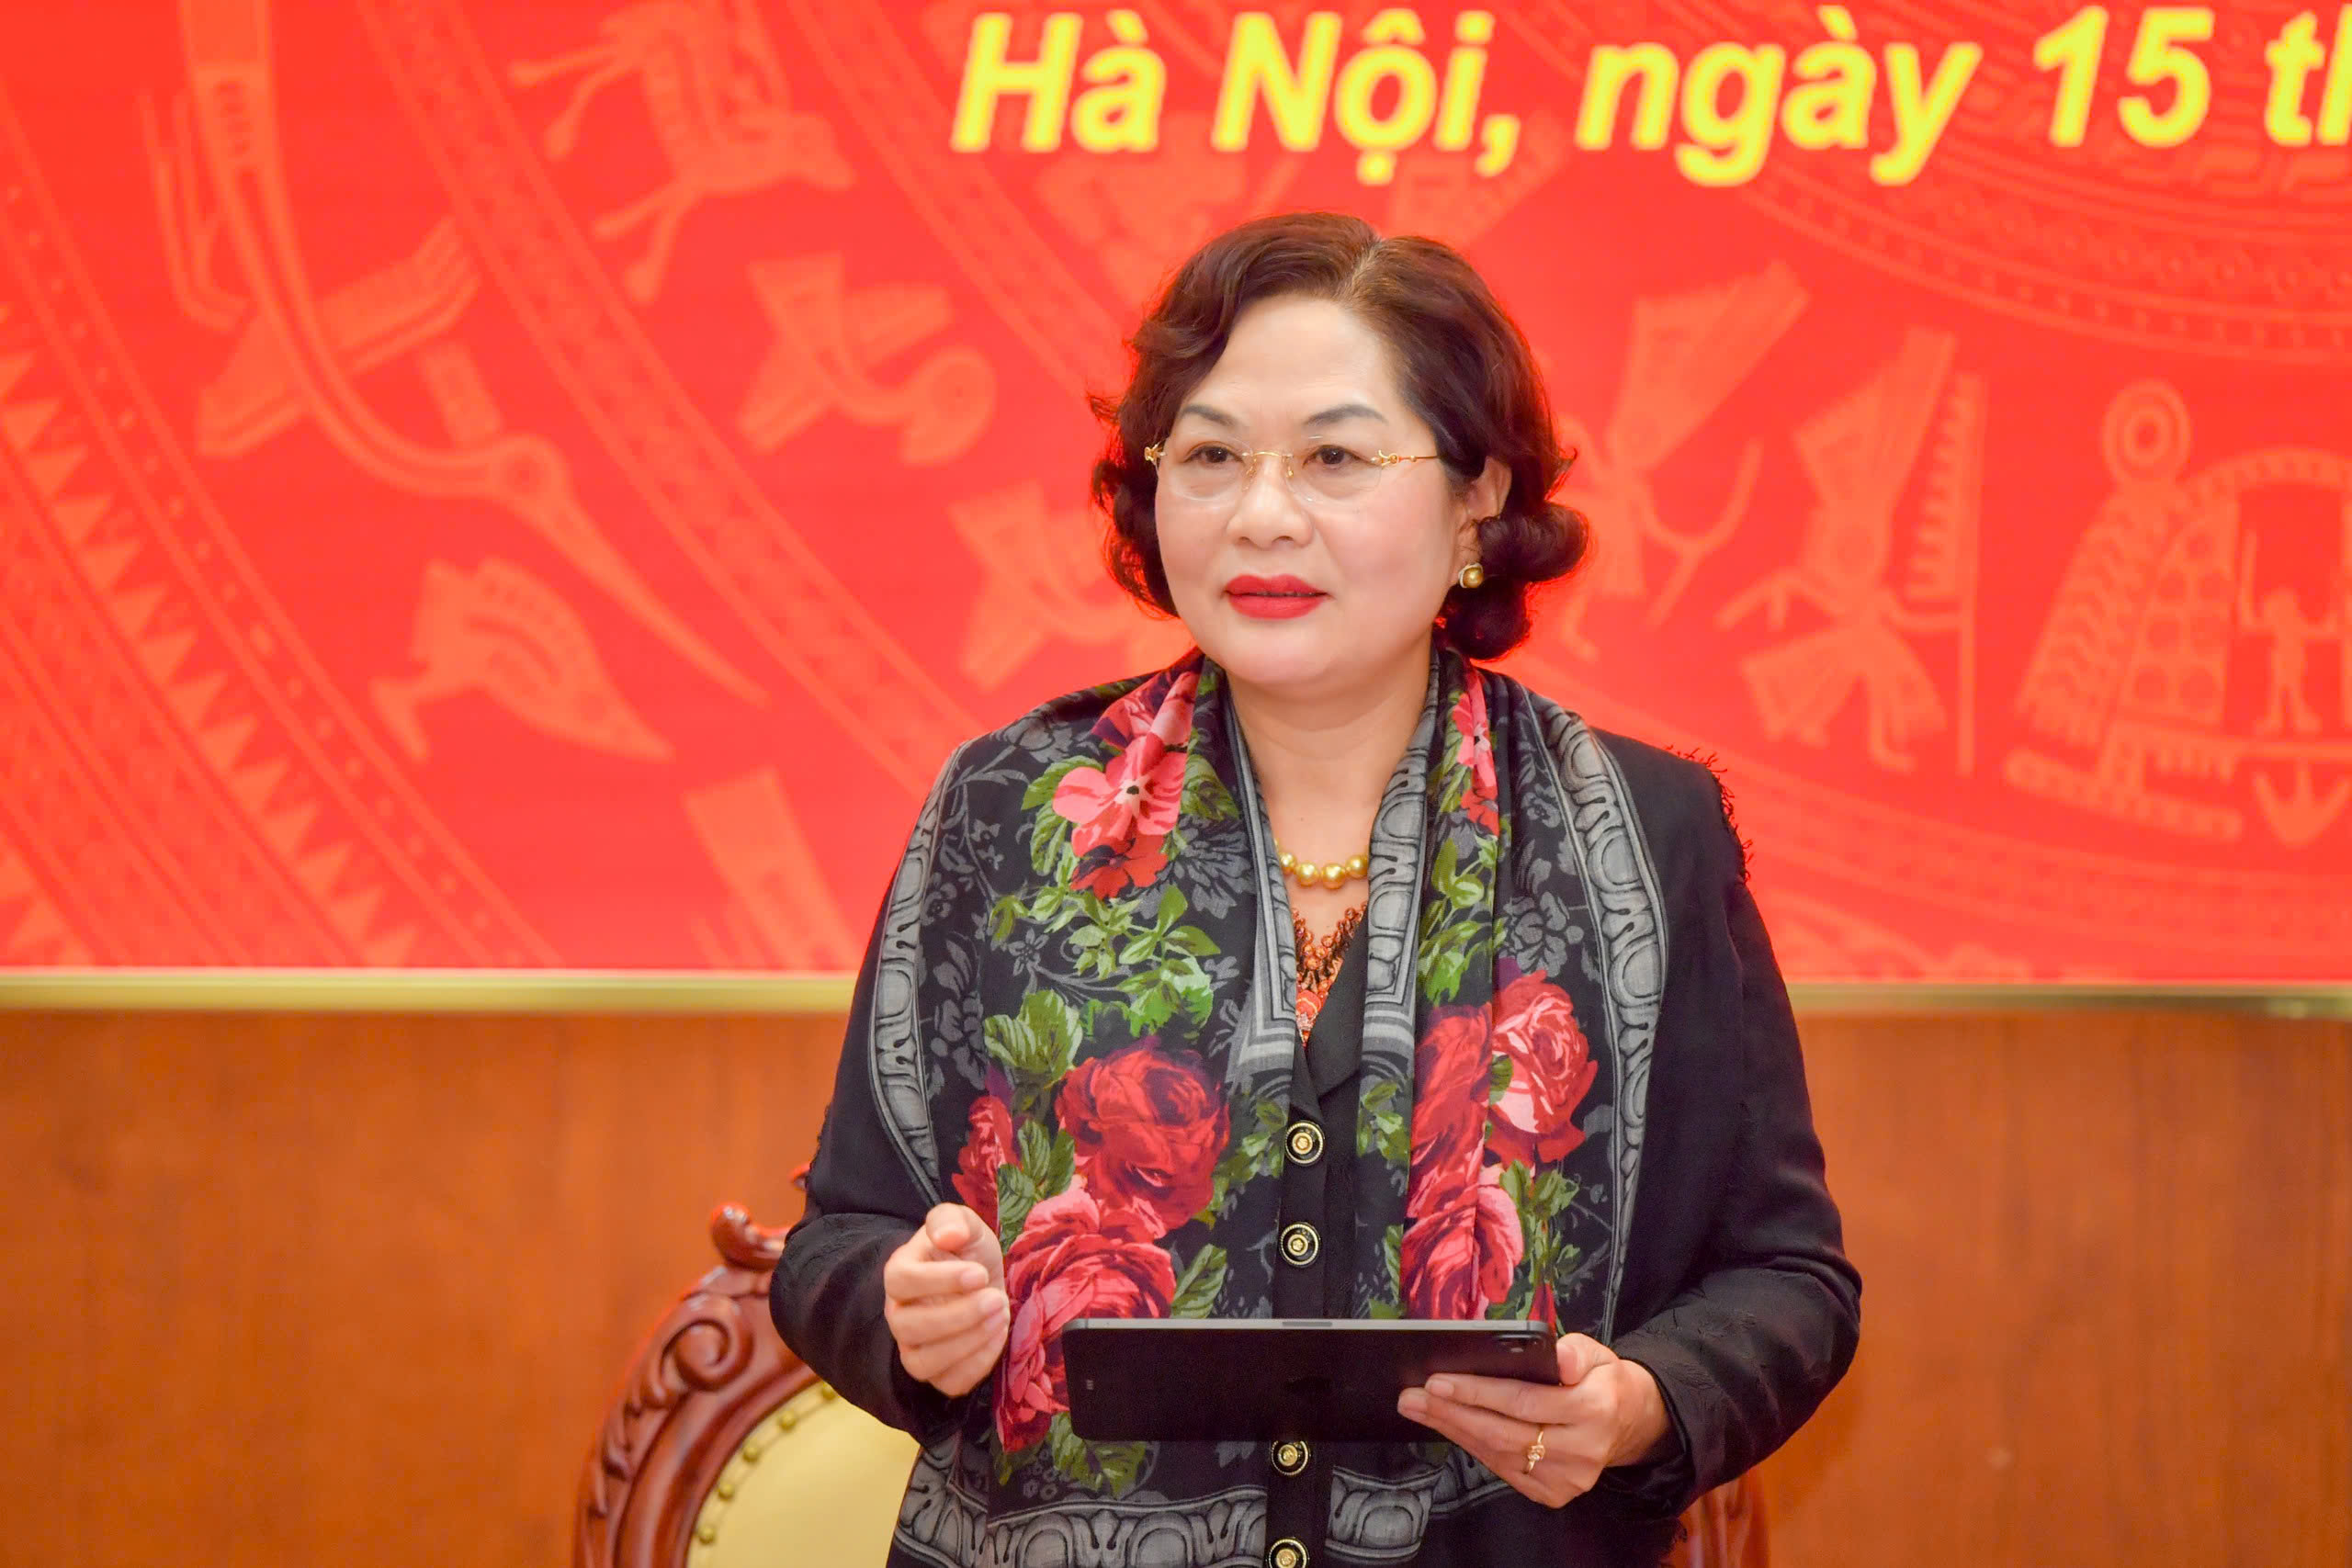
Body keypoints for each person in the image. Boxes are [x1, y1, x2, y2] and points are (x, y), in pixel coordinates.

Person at [772, 211, 1860, 1568]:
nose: (1263, 513)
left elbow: (1784, 1280)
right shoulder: (1008, 810)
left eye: (1336, 457)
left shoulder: (1640, 834)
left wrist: (1643, 1406)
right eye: (1211, 456)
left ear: (1477, 495)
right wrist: (907, 1310)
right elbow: (839, 1241)